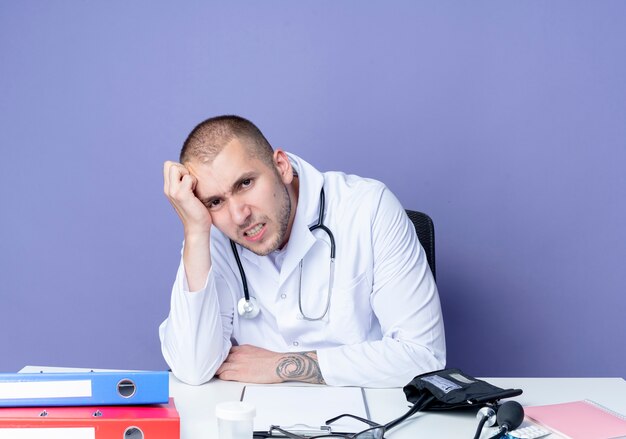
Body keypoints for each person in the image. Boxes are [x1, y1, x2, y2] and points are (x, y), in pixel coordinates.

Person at [159, 115, 445, 388]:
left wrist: (283, 366)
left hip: (363, 413)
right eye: (216, 201)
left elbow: (423, 356)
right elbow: (193, 369)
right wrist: (195, 232)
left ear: (281, 166)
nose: (238, 215)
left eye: (245, 183)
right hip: (257, 417)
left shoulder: (367, 208)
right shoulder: (213, 235)